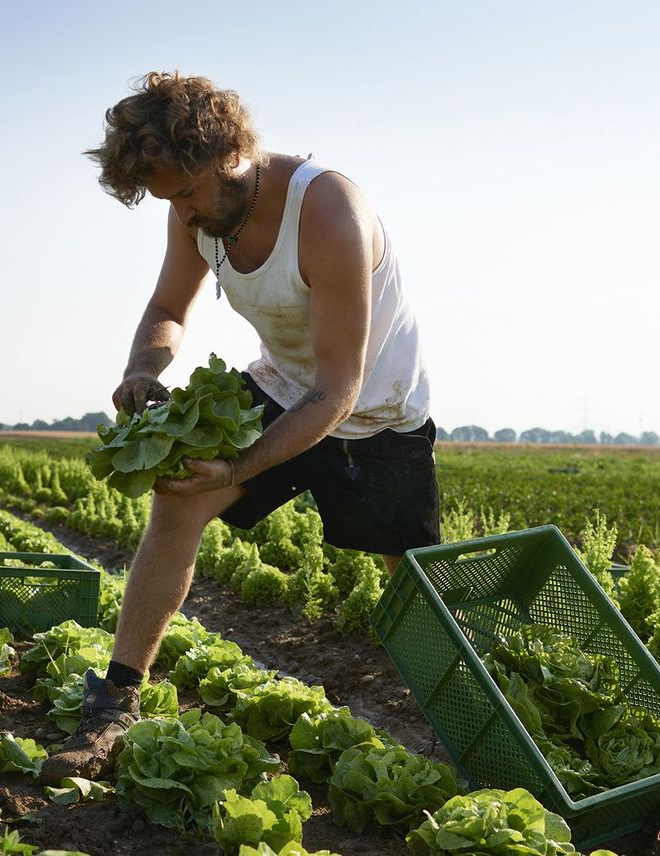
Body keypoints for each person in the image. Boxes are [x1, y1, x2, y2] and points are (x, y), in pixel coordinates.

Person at [40, 71, 440, 784]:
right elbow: (168, 306)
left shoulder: (328, 212)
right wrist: (143, 369)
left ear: (230, 154)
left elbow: (338, 390)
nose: (185, 216)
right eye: (169, 202)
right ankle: (115, 702)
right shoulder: (193, 209)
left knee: (408, 579)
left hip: (374, 410)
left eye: (188, 195)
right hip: (284, 386)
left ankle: (470, 714)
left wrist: (237, 468)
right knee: (178, 498)